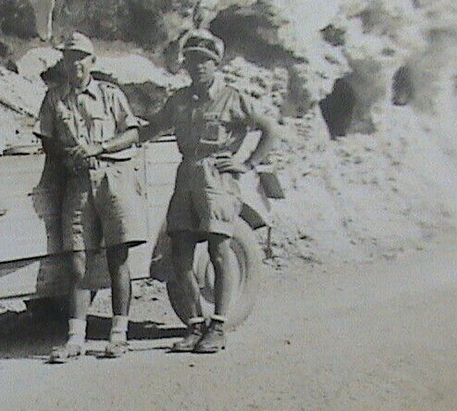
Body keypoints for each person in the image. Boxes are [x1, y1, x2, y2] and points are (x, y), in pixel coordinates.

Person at [141, 29, 277, 354]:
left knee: (219, 251)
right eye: (192, 60)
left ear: (216, 64)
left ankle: (218, 325)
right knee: (181, 256)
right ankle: (194, 324)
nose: (198, 66)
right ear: (185, 65)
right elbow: (152, 128)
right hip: (186, 175)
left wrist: (248, 164)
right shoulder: (179, 100)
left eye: (205, 61)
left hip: (217, 179)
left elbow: (270, 129)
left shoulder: (233, 98)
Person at [36, 32, 147, 361]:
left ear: (92, 62)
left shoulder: (110, 95)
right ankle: (75, 338)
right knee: (77, 260)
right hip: (78, 182)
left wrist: (100, 147)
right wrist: (66, 155)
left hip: (113, 178)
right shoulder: (54, 98)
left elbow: (133, 133)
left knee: (118, 257)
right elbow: (46, 138)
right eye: (69, 59)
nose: (75, 64)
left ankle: (119, 333)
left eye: (81, 58)